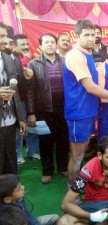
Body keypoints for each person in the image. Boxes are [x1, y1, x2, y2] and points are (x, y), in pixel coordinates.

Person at [63, 19, 108, 185]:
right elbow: (90, 88)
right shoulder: (75, 55)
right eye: (86, 35)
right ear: (77, 36)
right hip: (79, 113)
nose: (90, 38)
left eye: (93, 35)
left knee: (84, 152)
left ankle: (96, 182)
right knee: (77, 155)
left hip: (89, 113)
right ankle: (71, 192)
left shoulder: (87, 55)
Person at [57, 136, 108, 225]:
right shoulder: (88, 170)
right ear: (99, 155)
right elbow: (65, 204)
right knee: (64, 222)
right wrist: (92, 216)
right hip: (91, 205)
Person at [26, 33, 69, 184]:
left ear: (57, 45)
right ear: (40, 45)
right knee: (45, 142)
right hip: (43, 110)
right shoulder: (33, 64)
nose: (50, 44)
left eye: (52, 42)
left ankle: (63, 168)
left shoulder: (65, 61)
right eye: (46, 42)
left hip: (64, 109)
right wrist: (31, 113)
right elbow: (29, 91)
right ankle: (47, 171)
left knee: (63, 141)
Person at [0, 22, 25, 175]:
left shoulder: (7, 58)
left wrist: (20, 117)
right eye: (1, 36)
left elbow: (14, 89)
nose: (4, 40)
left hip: (9, 120)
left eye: (5, 36)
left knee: (10, 162)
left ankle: (12, 194)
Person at [14, 33, 40, 163]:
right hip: (17, 99)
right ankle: (18, 154)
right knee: (19, 127)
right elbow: (20, 75)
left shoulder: (32, 57)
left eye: (26, 44)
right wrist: (27, 60)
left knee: (32, 125)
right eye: (22, 44)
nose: (25, 47)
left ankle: (32, 151)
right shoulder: (12, 58)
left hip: (30, 98)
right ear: (14, 46)